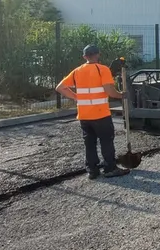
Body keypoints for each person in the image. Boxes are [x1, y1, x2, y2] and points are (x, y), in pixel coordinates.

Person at [55, 44, 130, 179]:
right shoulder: (102, 69)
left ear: (84, 57)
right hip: (101, 114)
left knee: (89, 143)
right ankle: (110, 168)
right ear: (98, 54)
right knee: (106, 141)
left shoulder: (77, 71)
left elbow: (60, 87)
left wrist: (76, 97)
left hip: (84, 115)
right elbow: (109, 90)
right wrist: (121, 95)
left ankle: (92, 170)